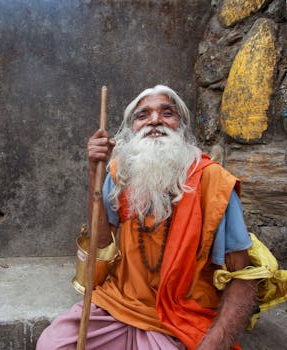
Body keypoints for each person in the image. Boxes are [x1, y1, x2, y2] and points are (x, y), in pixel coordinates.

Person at [36, 85, 258, 350]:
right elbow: (101, 244)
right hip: (121, 303)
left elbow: (244, 277)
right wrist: (94, 172)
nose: (155, 120)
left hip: (180, 317)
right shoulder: (122, 172)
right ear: (131, 131)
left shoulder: (213, 182)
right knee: (52, 344)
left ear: (182, 128)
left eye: (167, 113)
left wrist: (213, 344)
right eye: (143, 115)